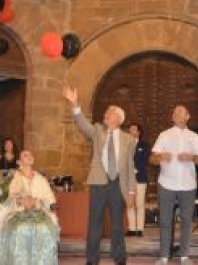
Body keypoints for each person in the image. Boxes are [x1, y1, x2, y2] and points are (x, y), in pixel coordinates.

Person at [63, 85, 136, 265]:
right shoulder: (97, 131)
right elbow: (82, 124)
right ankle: (92, 260)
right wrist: (75, 104)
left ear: (118, 118)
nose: (106, 114)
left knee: (118, 225)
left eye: (110, 112)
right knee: (94, 224)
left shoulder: (129, 140)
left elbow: (129, 167)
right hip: (98, 184)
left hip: (117, 185)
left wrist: (131, 192)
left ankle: (119, 259)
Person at [151, 105, 198, 265]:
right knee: (165, 221)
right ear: (172, 117)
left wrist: (193, 158)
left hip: (188, 185)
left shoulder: (195, 137)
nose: (177, 114)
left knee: (186, 220)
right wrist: (160, 157)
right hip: (166, 184)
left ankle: (184, 256)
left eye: (181, 112)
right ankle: (163, 256)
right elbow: (152, 159)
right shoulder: (164, 135)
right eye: (175, 112)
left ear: (188, 116)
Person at [0, 149, 59, 265]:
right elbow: (8, 197)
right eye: (25, 155)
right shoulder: (14, 177)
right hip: (18, 212)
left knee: (44, 229)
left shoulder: (41, 179)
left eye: (31, 154)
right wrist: (21, 201)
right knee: (20, 229)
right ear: (19, 161)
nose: (29, 156)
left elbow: (49, 197)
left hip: (38, 211)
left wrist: (47, 204)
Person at [126, 123, 150, 237]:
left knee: (139, 204)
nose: (131, 131)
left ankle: (140, 228)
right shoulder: (124, 145)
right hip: (127, 179)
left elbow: (144, 160)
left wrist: (134, 170)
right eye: (130, 129)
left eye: (133, 129)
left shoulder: (144, 145)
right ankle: (131, 228)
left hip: (140, 177)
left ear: (139, 132)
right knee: (129, 203)